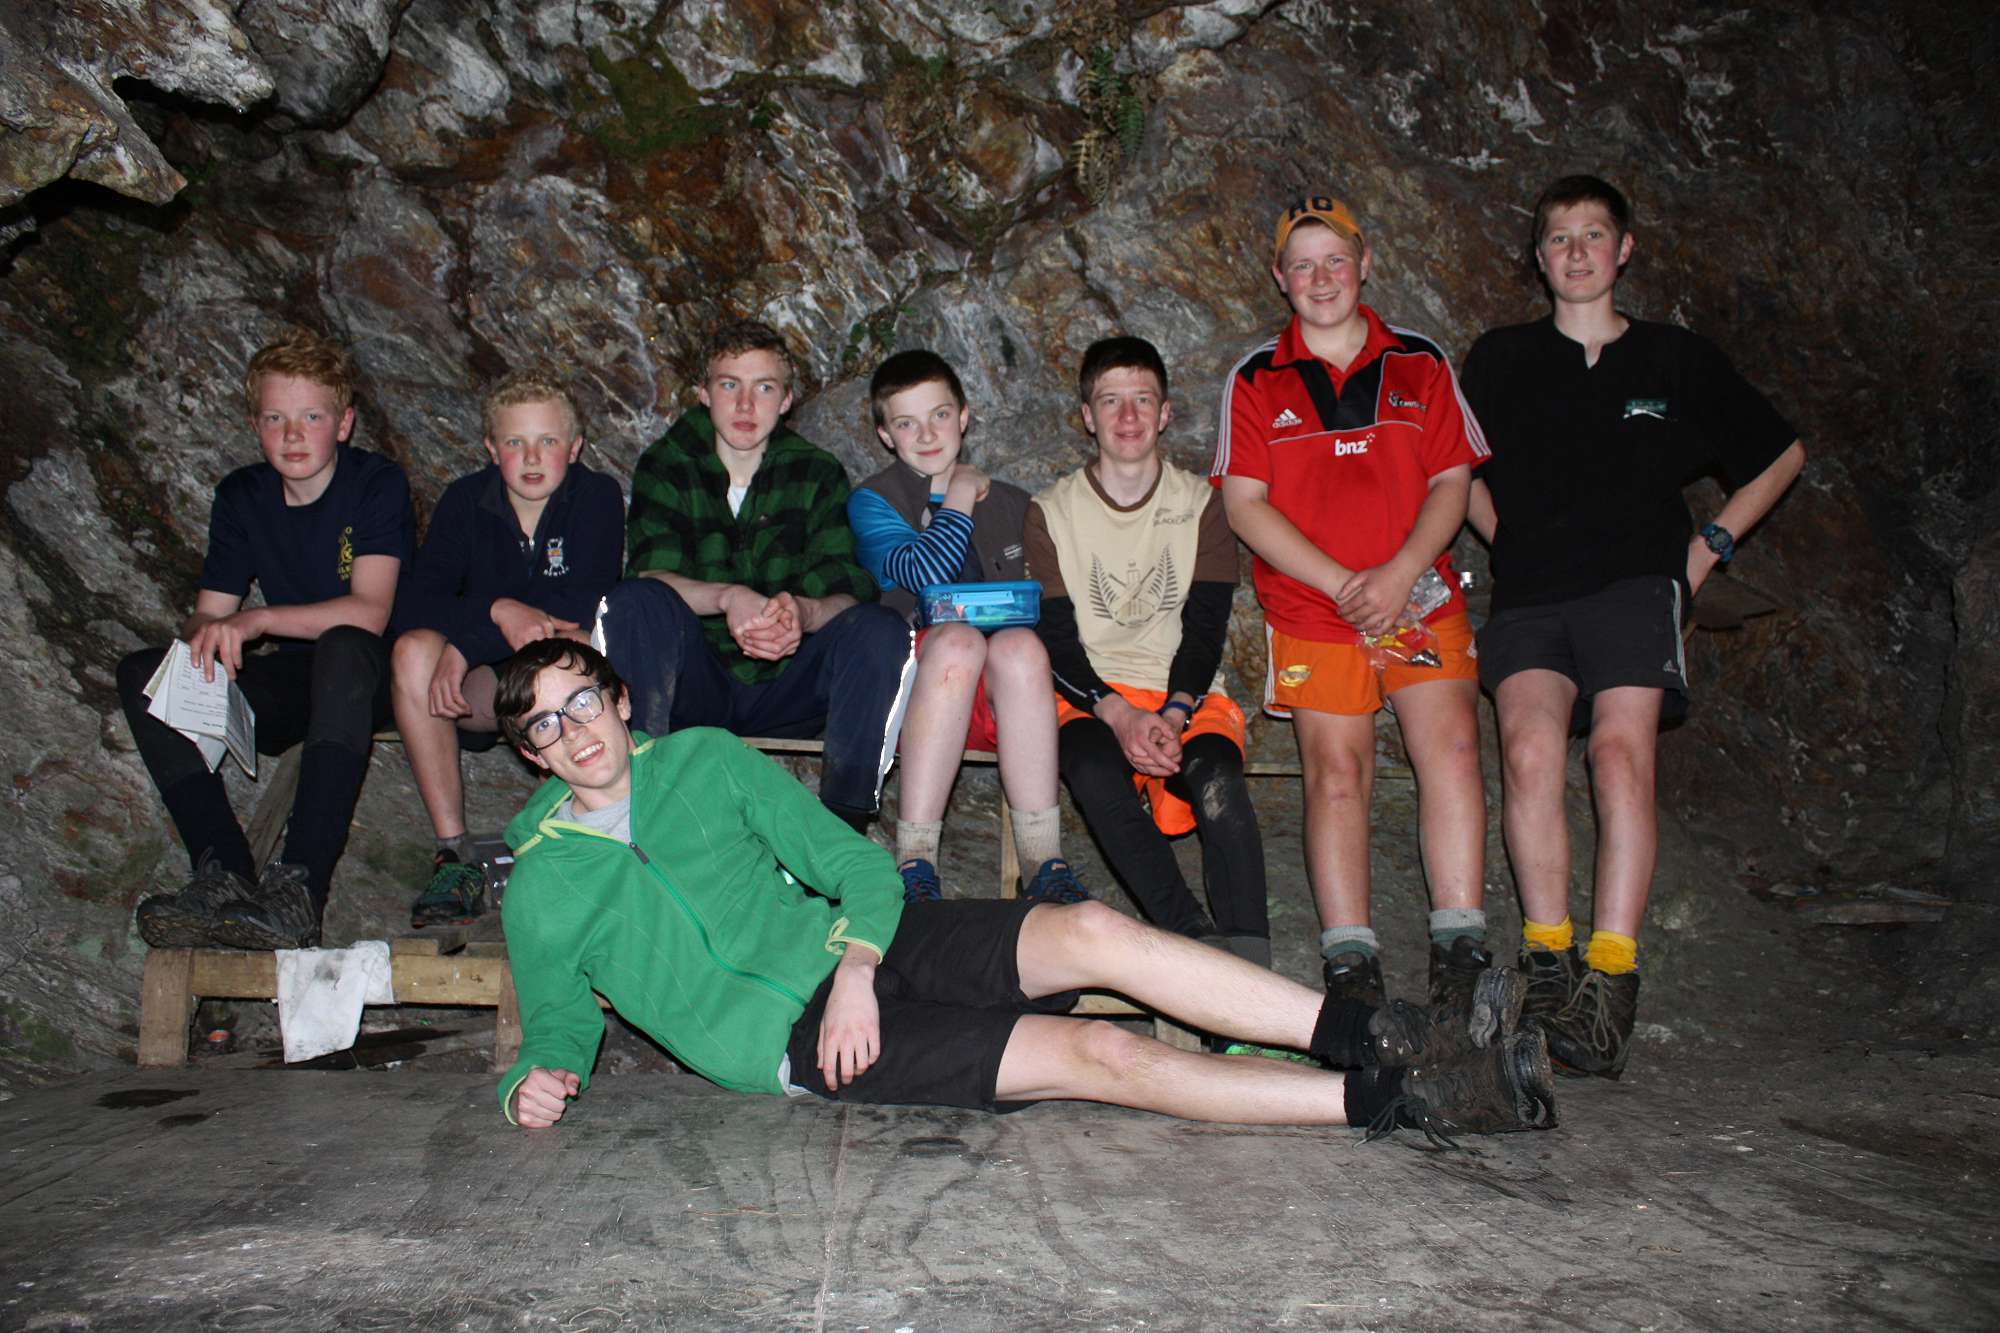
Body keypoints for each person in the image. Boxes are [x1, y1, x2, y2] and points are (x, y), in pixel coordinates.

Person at [490, 638, 1556, 1147]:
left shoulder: (707, 760)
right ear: (530, 754)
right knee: (1096, 1055)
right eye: (544, 722)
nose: (573, 730)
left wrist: (856, 962)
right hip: (792, 1042)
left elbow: (856, 865)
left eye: (581, 700)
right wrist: (535, 1080)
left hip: (859, 946)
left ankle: (1387, 1031)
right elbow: (556, 1019)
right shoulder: (541, 885)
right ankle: (1398, 1097)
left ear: (618, 698)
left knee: (1088, 928)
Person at [1461, 175, 1806, 1077]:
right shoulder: (1500, 358)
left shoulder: (1673, 357)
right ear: (1539, 258)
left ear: (1624, 250)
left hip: (1636, 586)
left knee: (1619, 756)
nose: (1576, 251)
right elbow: (1451, 468)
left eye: (1593, 235)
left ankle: (1610, 978)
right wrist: (1506, 537)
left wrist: (1705, 552)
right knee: (1529, 753)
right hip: (1532, 592)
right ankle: (1548, 963)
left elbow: (1780, 454)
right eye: (1559, 237)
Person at [1213, 197, 1493, 1015]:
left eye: (1335, 258)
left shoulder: (1419, 360)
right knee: (1337, 774)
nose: (1321, 277)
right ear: (1280, 278)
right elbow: (1244, 505)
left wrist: (1400, 572)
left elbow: (1452, 481)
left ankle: (1460, 951)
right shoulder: (1256, 377)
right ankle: (1351, 963)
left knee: (1453, 750)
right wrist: (1346, 584)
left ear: (1365, 263)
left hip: (1417, 601)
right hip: (1316, 609)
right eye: (1302, 264)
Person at [120, 328, 413, 950]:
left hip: (378, 676)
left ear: (344, 424)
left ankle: (299, 889)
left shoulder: (374, 482)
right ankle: (221, 871)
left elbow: (370, 612)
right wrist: (207, 638)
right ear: (256, 425)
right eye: (276, 418)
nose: (292, 434)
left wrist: (255, 622)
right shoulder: (242, 495)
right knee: (143, 674)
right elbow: (208, 614)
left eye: (312, 417)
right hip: (299, 680)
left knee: (343, 648)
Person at [593, 319, 914, 832]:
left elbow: (848, 587)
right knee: (633, 603)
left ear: (786, 400)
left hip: (790, 683)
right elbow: (650, 572)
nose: (745, 406)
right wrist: (727, 597)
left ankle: (843, 825)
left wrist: (803, 613)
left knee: (882, 627)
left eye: (763, 388)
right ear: (704, 393)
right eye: (729, 385)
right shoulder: (668, 464)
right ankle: (641, 805)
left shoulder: (816, 471)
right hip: (695, 681)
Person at [1024, 336, 1269, 975]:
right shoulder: (1050, 511)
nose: (1128, 417)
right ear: (1088, 415)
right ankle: (1192, 943)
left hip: (1181, 691)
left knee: (1216, 776)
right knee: (1092, 765)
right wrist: (1117, 712)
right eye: (1111, 401)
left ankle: (1254, 964)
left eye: (1142, 400)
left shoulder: (1202, 504)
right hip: (1091, 695)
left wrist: (1176, 711)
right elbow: (1055, 637)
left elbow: (1205, 627)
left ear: (1165, 413)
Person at [848, 349, 1089, 905]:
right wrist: (957, 492)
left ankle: (1044, 862)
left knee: (1022, 645)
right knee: (956, 640)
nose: (927, 434)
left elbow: (1054, 603)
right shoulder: (873, 501)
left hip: (1006, 699)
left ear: (963, 415)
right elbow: (926, 573)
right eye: (906, 423)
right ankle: (915, 863)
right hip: (914, 691)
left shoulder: (1013, 503)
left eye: (939, 415)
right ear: (885, 435)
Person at [388, 366, 624, 927]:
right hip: (485, 687)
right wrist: (497, 613)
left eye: (548, 442)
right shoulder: (465, 501)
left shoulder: (596, 496)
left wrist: (473, 637)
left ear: (575, 447)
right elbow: (418, 602)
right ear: (492, 449)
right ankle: (453, 855)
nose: (532, 457)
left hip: (561, 679)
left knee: (572, 644)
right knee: (414, 649)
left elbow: (584, 600)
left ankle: (565, 845)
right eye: (516, 443)